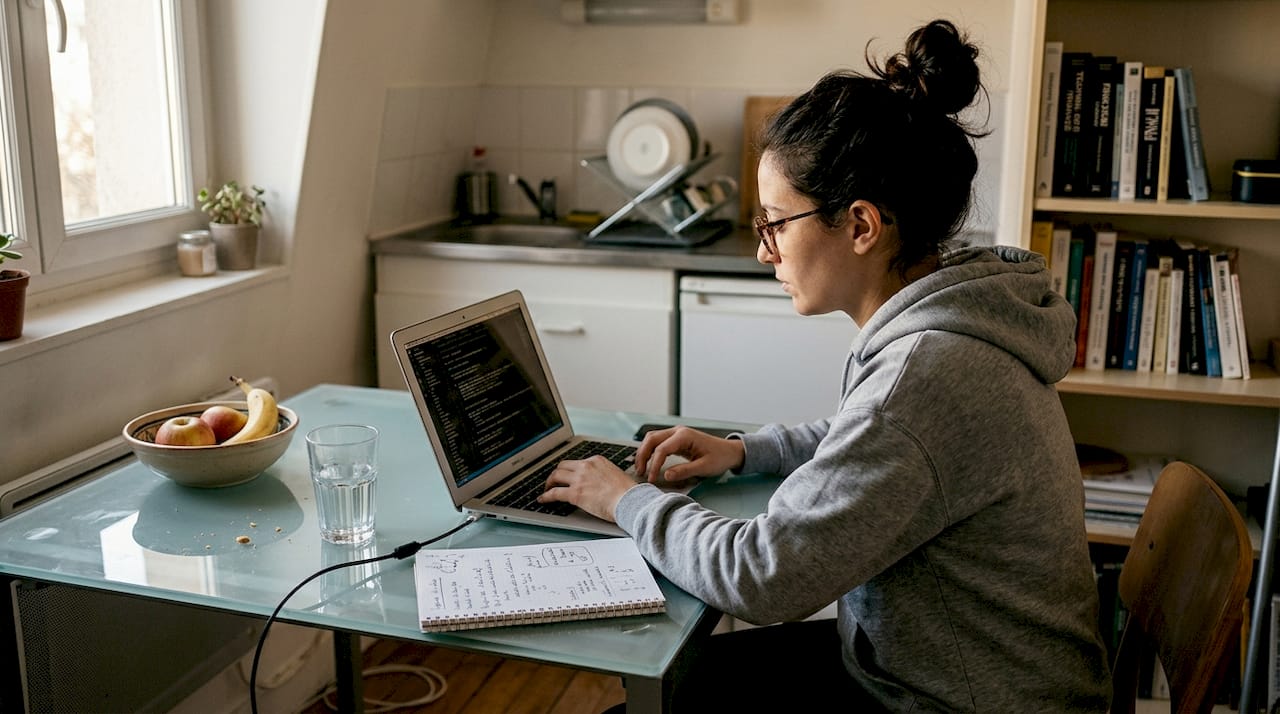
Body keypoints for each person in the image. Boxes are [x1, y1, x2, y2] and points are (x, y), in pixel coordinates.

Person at [539, 18, 1111, 713]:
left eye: (775, 224)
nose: (762, 253)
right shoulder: (957, 320)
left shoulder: (926, 375)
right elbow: (865, 438)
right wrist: (743, 451)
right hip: (936, 674)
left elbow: (760, 578)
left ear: (862, 226)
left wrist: (623, 500)